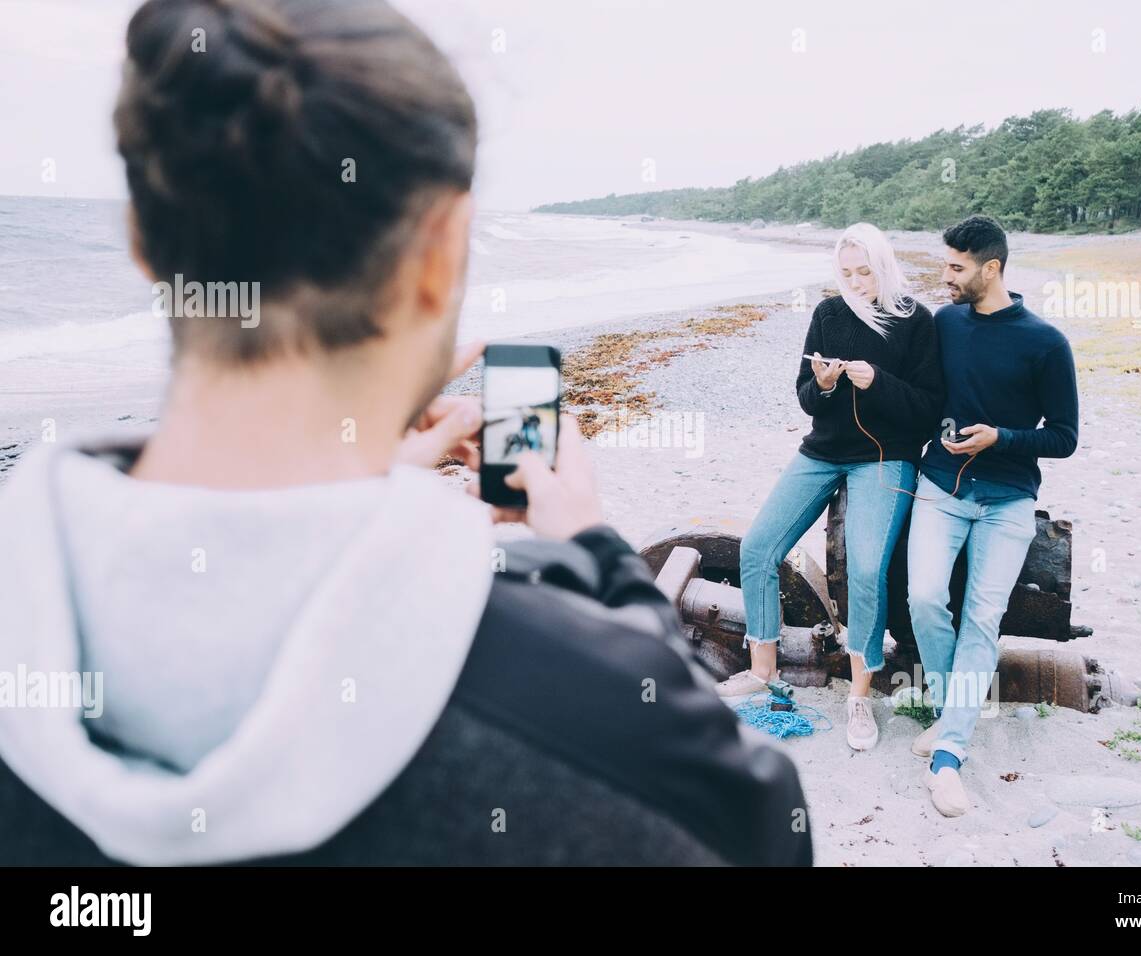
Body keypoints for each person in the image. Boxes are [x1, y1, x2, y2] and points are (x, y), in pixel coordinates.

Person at [0, 0, 811, 866]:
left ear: (139, 242)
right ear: (438, 257)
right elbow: (751, 823)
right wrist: (593, 548)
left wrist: (360, 478)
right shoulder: (593, 726)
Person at [715, 223, 944, 753]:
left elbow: (930, 410)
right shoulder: (828, 314)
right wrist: (820, 384)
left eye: (865, 271)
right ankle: (763, 669)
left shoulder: (914, 320)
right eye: (846, 273)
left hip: (885, 458)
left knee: (867, 569)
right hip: (822, 451)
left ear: (884, 266)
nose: (856, 282)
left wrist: (876, 382)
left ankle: (859, 695)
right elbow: (805, 398)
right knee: (757, 548)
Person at [907, 215, 1079, 817]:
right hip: (940, 487)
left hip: (1008, 499)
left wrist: (999, 438)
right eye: (944, 264)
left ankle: (948, 755)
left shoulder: (1045, 342)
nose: (945, 277)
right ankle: (945, 704)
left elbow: (1064, 437)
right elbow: (918, 391)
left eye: (956, 267)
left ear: (992, 268)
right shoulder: (945, 323)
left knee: (982, 619)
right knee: (926, 598)